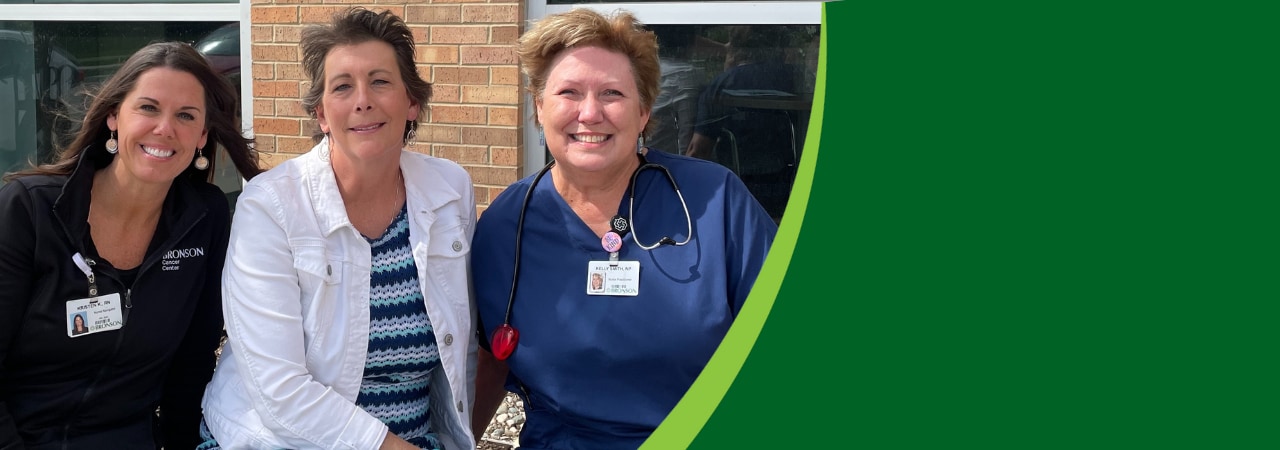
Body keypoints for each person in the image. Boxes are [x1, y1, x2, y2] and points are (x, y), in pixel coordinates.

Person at [470, 9, 778, 449]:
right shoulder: (507, 225)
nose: (590, 113)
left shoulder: (714, 200)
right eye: (569, 93)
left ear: (644, 112)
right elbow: (490, 356)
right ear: (539, 108)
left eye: (612, 93)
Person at [198, 7, 478, 450]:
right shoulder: (271, 205)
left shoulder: (450, 189)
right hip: (280, 441)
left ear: (412, 103)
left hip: (415, 439)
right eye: (342, 86)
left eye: (380, 81)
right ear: (322, 114)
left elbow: (460, 344)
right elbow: (279, 391)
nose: (362, 99)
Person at [0, 41, 259, 449]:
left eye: (186, 115)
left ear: (202, 135)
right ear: (113, 116)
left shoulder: (205, 218)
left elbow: (192, 365)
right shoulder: (30, 210)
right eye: (148, 108)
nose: (165, 128)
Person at [685, 25, 799, 220]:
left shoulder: (720, 86)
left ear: (734, 49)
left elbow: (698, 151)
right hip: (788, 187)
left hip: (735, 190)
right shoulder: (794, 77)